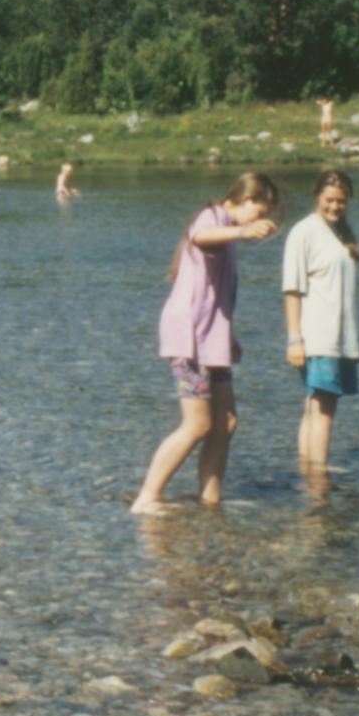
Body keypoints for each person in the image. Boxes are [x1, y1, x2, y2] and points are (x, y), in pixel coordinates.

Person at [131, 173, 281, 515]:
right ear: (243, 201)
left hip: (213, 339)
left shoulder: (228, 233)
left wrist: (229, 336)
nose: (258, 223)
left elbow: (216, 294)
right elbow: (200, 237)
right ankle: (147, 498)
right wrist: (243, 231)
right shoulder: (212, 217)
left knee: (226, 421)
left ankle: (210, 500)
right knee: (197, 424)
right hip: (191, 339)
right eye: (258, 213)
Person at [283, 168, 359, 483]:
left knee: (315, 405)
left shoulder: (344, 233)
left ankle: (308, 471)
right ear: (317, 196)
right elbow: (292, 289)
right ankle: (319, 482)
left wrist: (356, 342)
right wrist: (294, 339)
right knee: (324, 408)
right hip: (317, 336)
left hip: (341, 338)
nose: (335, 206)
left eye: (342, 201)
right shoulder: (305, 231)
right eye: (329, 200)